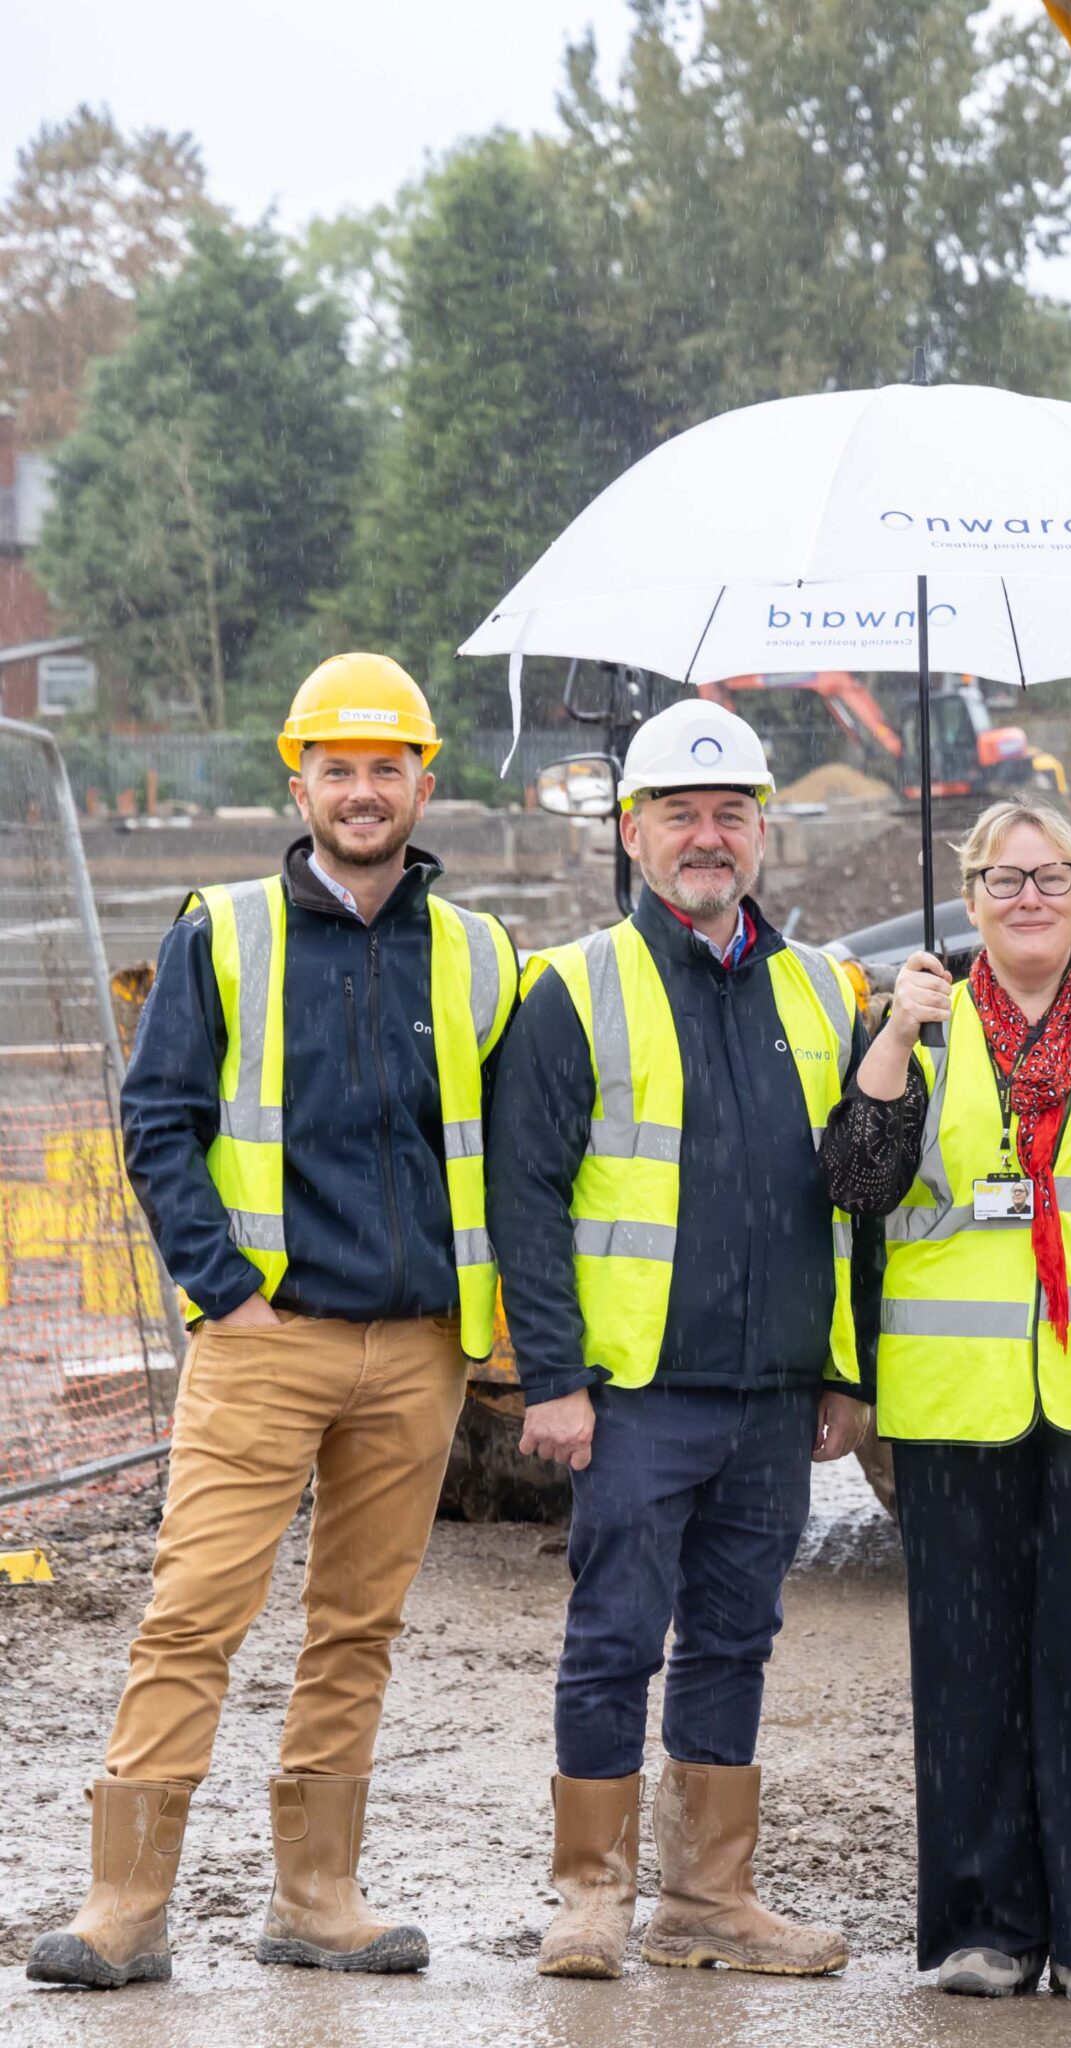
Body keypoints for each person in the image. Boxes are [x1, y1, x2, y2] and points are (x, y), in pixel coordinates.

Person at [30, 656, 515, 1990]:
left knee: (358, 1629)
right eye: (339, 770)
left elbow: (507, 1144)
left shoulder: (479, 954)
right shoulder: (225, 930)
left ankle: (318, 1897)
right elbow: (160, 1118)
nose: (364, 793)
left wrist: (498, 1323)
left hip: (418, 1348)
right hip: (266, 1339)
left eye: (388, 769)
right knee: (193, 1615)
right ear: (298, 782)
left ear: (426, 781)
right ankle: (124, 1904)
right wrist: (224, 1288)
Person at [825, 797, 1071, 2008]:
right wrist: (895, 1037)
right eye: (1002, 880)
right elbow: (856, 1177)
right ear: (969, 891)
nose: (1027, 899)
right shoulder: (919, 1018)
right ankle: (982, 1925)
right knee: (966, 1665)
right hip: (958, 1399)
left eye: (1050, 876)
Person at [489, 699, 870, 1982]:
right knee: (613, 1633)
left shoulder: (824, 988)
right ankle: (590, 1893)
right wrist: (555, 1376)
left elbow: (851, 1193)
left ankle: (708, 1899)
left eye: (729, 813)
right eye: (679, 815)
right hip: (636, 1390)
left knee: (734, 1635)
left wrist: (843, 1368)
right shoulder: (574, 985)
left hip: (772, 1392)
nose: (707, 837)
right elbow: (524, 1197)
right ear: (632, 833)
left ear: (764, 828)